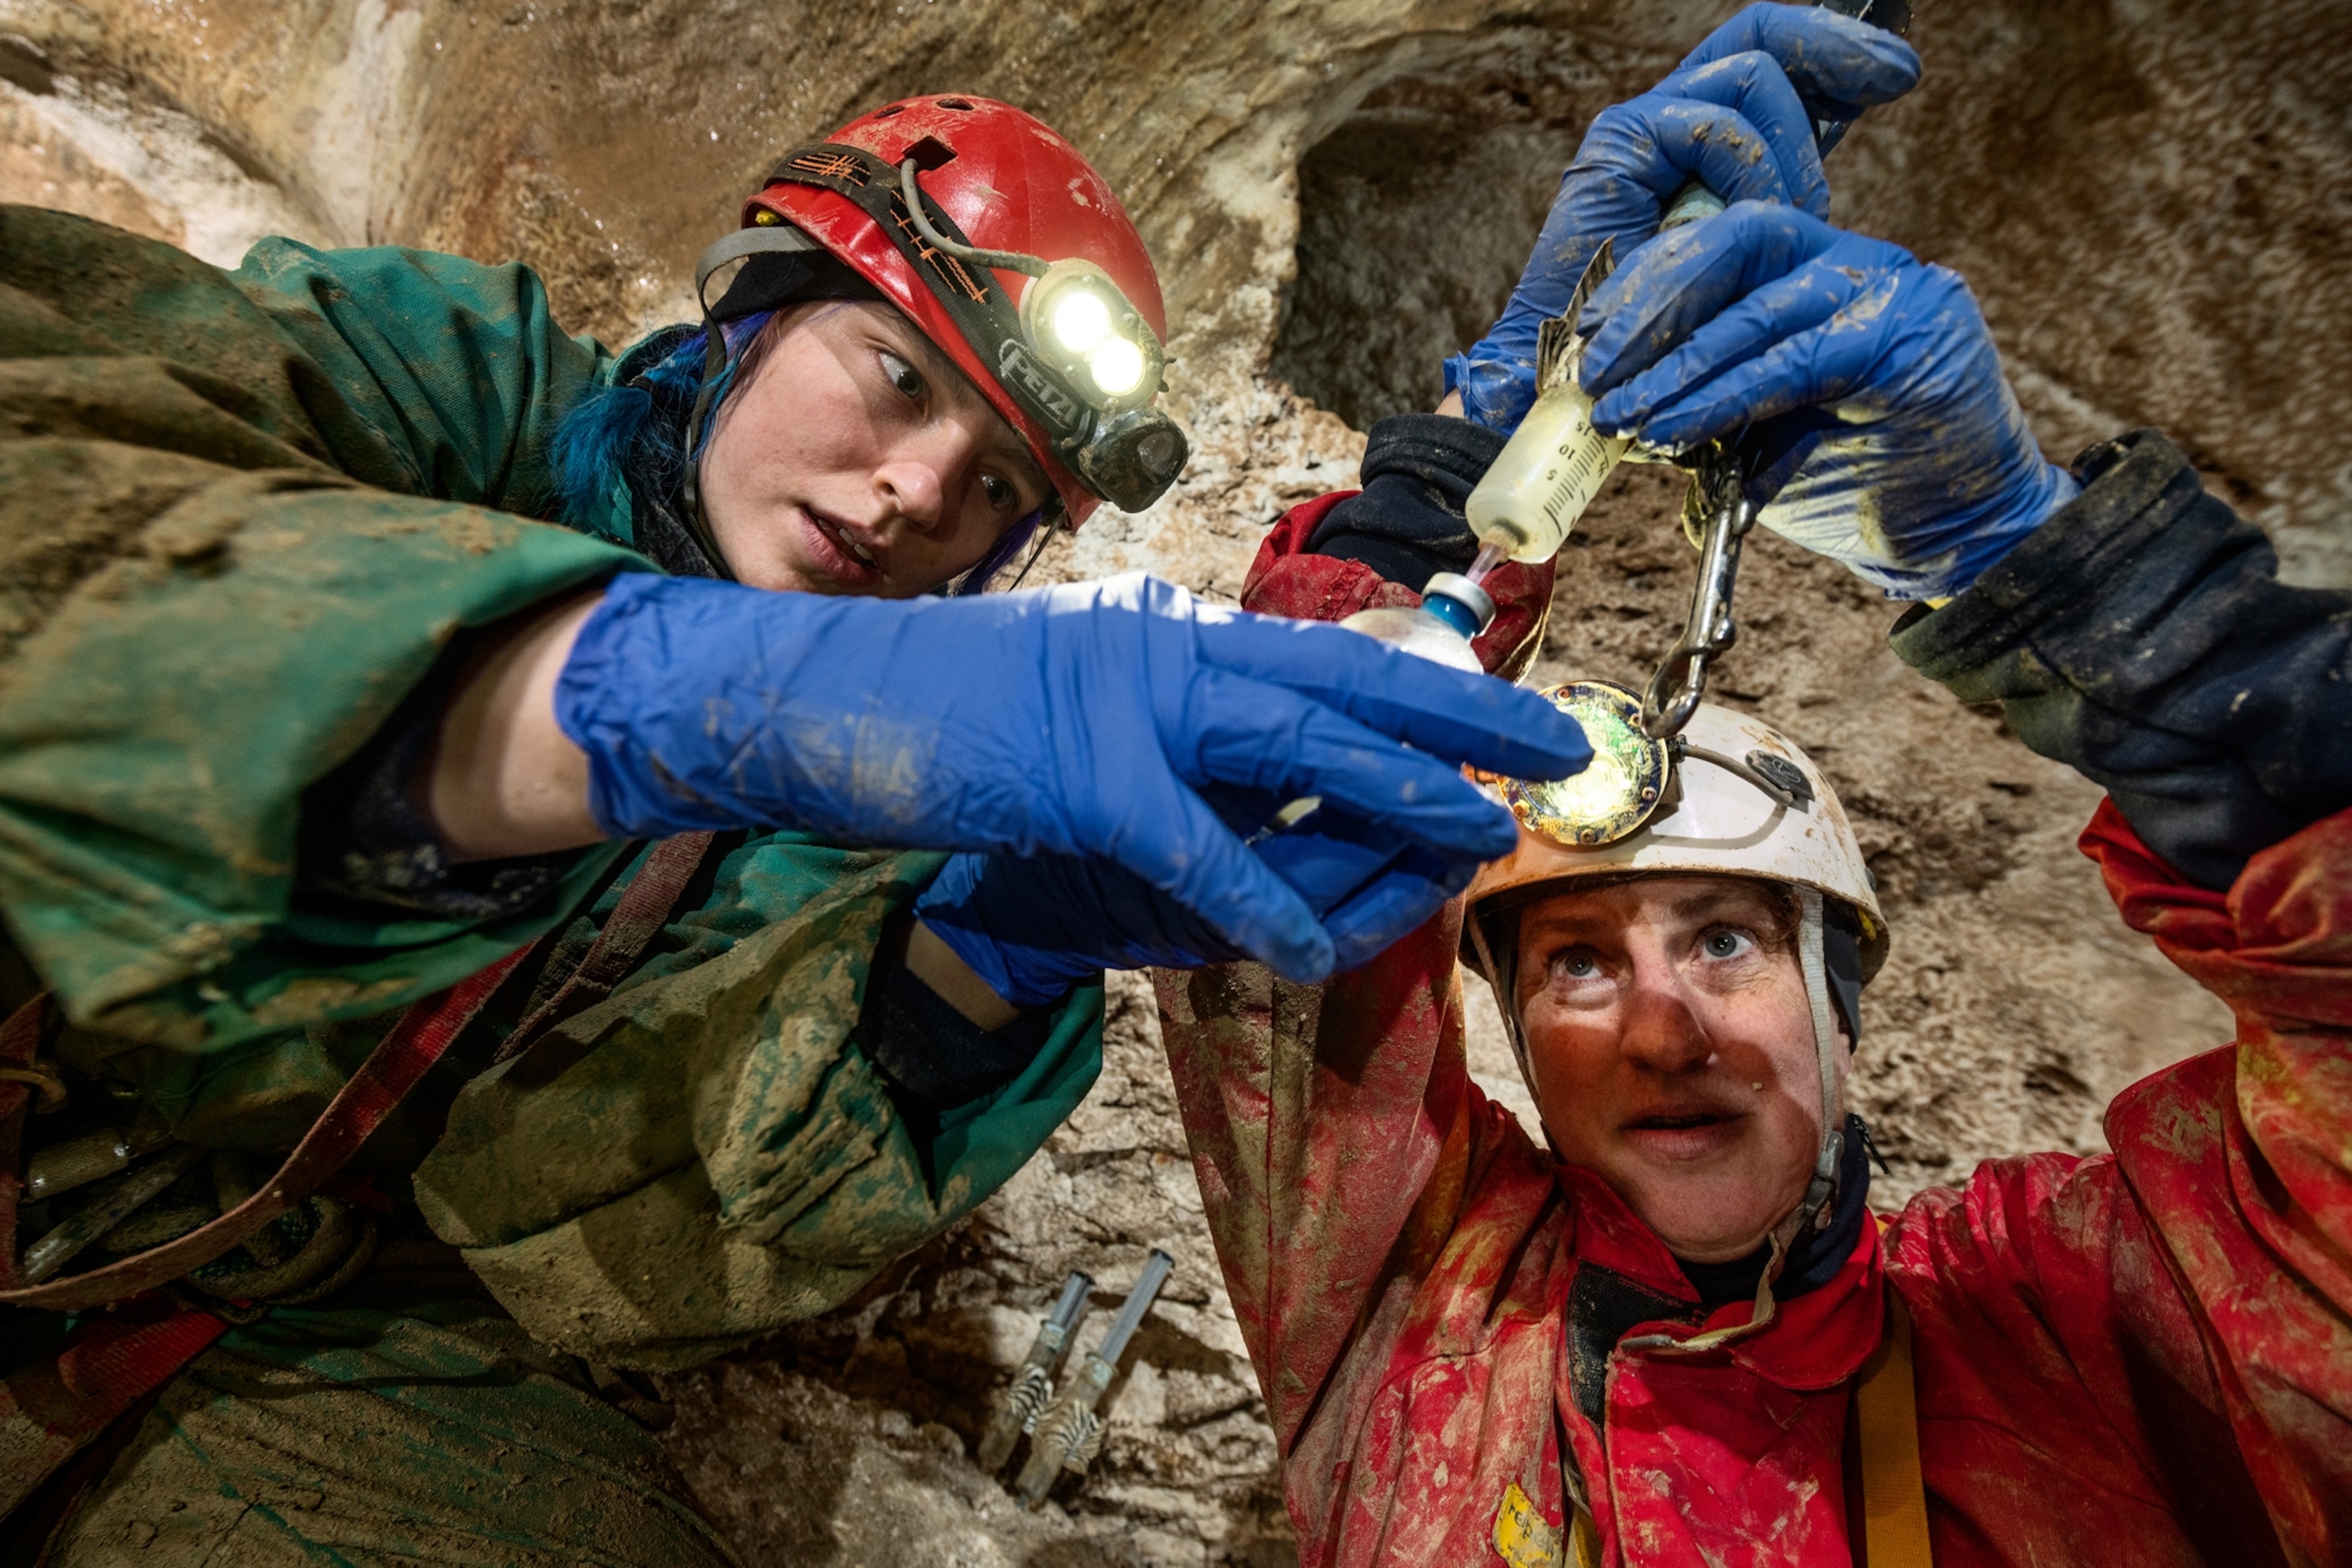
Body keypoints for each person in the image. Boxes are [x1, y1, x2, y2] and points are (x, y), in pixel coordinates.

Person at [0, 94, 1592, 1559]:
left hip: (271, 1321)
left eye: (989, 490)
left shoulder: (859, 832)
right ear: (752, 309)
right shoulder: (445, 382)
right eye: (899, 378)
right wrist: (655, 693)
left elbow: (592, 1245)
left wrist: (985, 955)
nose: (914, 493)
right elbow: (54, 511)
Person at [1156, 7, 2352, 1566]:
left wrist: (2089, 601)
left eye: (1724, 936)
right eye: (1580, 961)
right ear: (1512, 1039)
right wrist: (1456, 474)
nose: (1665, 1027)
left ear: (1839, 1002)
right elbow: (1265, 890)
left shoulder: (2089, 1323)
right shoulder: (1422, 1302)